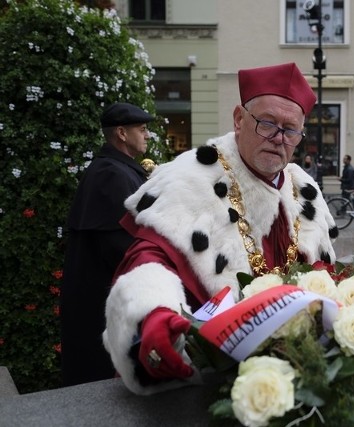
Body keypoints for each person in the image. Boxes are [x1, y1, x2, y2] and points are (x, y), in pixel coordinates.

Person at [102, 63, 338, 395]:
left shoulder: (304, 190)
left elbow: (323, 276)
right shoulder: (191, 178)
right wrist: (154, 312)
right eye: (267, 122)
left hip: (291, 374)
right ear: (239, 119)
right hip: (209, 373)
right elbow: (147, 256)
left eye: (290, 129)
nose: (278, 138)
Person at [62, 102, 154, 386]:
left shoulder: (116, 168)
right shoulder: (111, 174)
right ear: (121, 134)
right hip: (102, 304)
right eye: (142, 129)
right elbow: (125, 247)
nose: (148, 135)